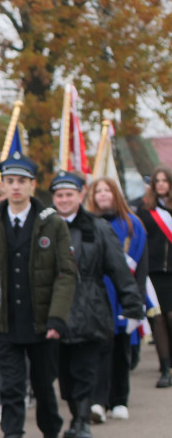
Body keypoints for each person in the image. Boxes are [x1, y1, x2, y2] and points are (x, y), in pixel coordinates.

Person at [0, 153, 76, 438]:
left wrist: (57, 318)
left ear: (32, 185)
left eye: (22, 181)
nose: (16, 187)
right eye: (10, 181)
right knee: (9, 390)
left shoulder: (52, 223)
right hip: (5, 323)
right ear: (3, 186)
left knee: (43, 389)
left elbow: (66, 273)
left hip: (42, 324)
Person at [50, 171, 143, 438]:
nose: (64, 200)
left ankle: (81, 420)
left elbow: (118, 269)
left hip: (91, 306)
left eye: (69, 194)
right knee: (64, 372)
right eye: (59, 195)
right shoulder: (46, 226)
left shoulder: (99, 228)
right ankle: (74, 412)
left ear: (80, 196)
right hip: (56, 309)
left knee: (86, 368)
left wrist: (132, 305)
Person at [85, 177, 150, 417]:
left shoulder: (133, 225)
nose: (102, 195)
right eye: (98, 191)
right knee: (99, 349)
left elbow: (140, 268)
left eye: (107, 190)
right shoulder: (87, 223)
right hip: (97, 295)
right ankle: (97, 400)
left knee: (121, 348)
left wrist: (137, 300)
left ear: (116, 194)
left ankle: (119, 399)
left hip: (123, 294)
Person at [136, 166, 172, 388]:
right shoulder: (144, 209)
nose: (160, 184)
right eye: (157, 181)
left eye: (164, 181)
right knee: (157, 318)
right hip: (153, 272)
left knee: (170, 318)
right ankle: (165, 367)